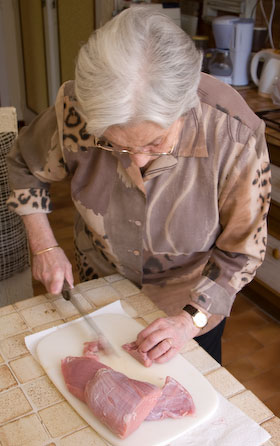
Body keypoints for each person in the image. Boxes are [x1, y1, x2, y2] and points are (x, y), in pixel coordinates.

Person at [7, 6, 271, 364]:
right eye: (115, 145)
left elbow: (242, 251)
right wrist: (43, 246)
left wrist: (189, 320)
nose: (138, 162)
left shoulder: (233, 135)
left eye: (155, 143)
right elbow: (24, 163)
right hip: (96, 288)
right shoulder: (77, 107)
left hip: (188, 305)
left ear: (186, 107)